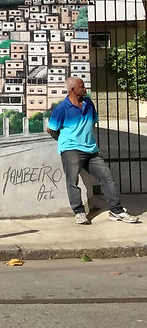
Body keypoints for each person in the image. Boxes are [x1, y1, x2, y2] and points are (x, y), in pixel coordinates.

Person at [46, 76, 139, 225]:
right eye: (82, 86)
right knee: (72, 181)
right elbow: (51, 129)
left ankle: (117, 211)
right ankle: (79, 212)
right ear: (72, 89)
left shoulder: (89, 103)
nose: (85, 89)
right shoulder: (61, 109)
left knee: (107, 177)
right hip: (71, 150)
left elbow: (93, 122)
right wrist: (66, 142)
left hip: (91, 150)